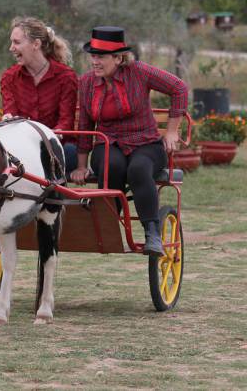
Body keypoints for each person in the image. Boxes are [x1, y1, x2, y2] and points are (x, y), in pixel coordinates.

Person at [70, 26, 188, 256]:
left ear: (118, 57)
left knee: (138, 169)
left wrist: (172, 131)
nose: (94, 61)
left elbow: (179, 88)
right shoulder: (86, 83)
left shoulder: (139, 72)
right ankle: (109, 225)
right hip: (108, 142)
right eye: (92, 56)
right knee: (110, 166)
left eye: (100, 57)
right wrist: (82, 165)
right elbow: (85, 125)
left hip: (146, 143)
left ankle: (152, 232)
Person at [0, 16, 78, 174]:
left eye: (16, 42)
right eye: (11, 42)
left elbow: (65, 122)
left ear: (36, 44)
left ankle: (52, 195)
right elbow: (11, 114)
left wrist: (43, 141)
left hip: (57, 145)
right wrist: (8, 119)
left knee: (66, 153)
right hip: (22, 144)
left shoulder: (65, 77)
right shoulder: (9, 77)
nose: (11, 48)